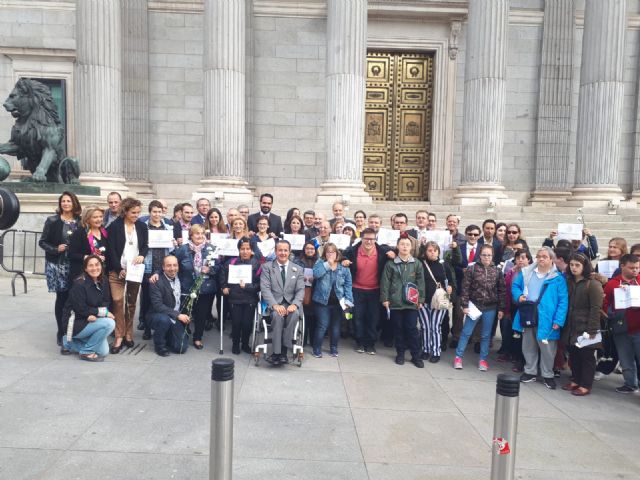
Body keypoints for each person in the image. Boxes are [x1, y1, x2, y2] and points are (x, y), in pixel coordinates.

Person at [512, 247, 568, 389]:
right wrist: (519, 296)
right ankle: (530, 371)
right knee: (528, 344)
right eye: (539, 256)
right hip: (528, 313)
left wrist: (558, 320)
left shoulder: (558, 278)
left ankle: (547, 374)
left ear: (551, 259)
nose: (541, 259)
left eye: (544, 256)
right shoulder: (527, 272)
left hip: (548, 318)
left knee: (548, 348)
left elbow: (563, 301)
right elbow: (515, 286)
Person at [106, 197, 149, 353]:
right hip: (118, 270)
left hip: (135, 270)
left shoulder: (142, 226)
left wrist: (142, 255)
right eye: (133, 212)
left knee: (131, 302)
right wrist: (118, 269)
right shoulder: (114, 226)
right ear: (125, 211)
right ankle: (119, 335)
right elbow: (110, 250)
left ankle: (128, 334)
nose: (136, 215)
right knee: (117, 301)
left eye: (138, 212)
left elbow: (145, 246)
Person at [454, 244, 505, 372]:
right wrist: (464, 305)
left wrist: (501, 308)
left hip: (490, 307)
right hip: (474, 305)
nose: (486, 257)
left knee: (486, 335)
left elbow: (501, 290)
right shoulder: (472, 269)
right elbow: (465, 288)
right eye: (484, 254)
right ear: (480, 255)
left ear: (492, 256)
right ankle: (458, 357)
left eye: (489, 255)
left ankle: (483, 359)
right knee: (466, 332)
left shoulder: (497, 271)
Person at [39, 191, 82, 346]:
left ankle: (75, 330)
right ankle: (61, 331)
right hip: (58, 265)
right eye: (63, 201)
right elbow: (42, 242)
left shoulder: (80, 221)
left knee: (76, 298)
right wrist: (56, 248)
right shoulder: (52, 220)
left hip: (76, 265)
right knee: (62, 299)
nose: (65, 203)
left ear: (74, 203)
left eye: (68, 201)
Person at [343, 228, 392, 354]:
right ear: (361, 238)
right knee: (358, 317)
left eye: (372, 239)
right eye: (366, 239)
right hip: (357, 289)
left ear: (376, 239)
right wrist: (343, 260)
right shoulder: (352, 251)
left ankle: (370, 343)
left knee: (373, 318)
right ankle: (359, 341)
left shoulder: (382, 251)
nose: (369, 242)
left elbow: (398, 251)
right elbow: (341, 255)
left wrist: (394, 255)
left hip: (375, 290)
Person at [380, 234, 426, 368]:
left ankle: (415, 355)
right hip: (395, 302)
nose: (405, 247)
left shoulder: (417, 263)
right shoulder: (391, 264)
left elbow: (420, 283)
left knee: (412, 329)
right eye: (402, 244)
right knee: (398, 329)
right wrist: (385, 299)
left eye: (407, 244)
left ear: (411, 247)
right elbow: (385, 282)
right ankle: (400, 354)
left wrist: (421, 299)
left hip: (411, 302)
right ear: (397, 246)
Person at [562, 253, 603, 396]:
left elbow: (595, 308)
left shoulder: (593, 284)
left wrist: (592, 329)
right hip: (571, 324)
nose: (574, 268)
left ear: (584, 266)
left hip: (586, 325)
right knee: (574, 354)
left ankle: (585, 384)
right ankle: (575, 379)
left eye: (577, 265)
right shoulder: (569, 281)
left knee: (586, 356)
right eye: (572, 265)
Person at [61, 255, 116, 361]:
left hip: (92, 318)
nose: (95, 268)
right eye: (90, 266)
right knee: (110, 323)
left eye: (97, 265)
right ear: (85, 268)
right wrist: (98, 313)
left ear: (101, 266)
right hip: (75, 322)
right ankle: (86, 352)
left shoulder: (104, 279)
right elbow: (80, 309)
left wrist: (96, 314)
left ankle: (68, 343)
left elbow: (106, 301)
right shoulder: (79, 284)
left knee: (103, 352)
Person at [260, 240, 305, 365]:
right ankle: (277, 353)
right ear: (275, 251)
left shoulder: (298, 269)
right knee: (277, 316)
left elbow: (301, 290)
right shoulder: (267, 267)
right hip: (275, 303)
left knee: (295, 314)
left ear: (289, 252)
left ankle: (284, 350)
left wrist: (295, 304)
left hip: (291, 304)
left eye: (285, 250)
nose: (283, 253)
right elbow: (265, 289)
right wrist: (275, 305)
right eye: (280, 250)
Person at [174, 224, 218, 350]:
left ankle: (198, 337)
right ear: (191, 235)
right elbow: (174, 264)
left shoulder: (211, 249)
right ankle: (185, 332)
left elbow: (218, 267)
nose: (199, 236)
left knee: (201, 314)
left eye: (202, 233)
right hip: (186, 287)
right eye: (196, 233)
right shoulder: (182, 249)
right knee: (185, 312)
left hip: (205, 288)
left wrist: (210, 269)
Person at [602, 253, 640, 393]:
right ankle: (630, 384)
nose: (635, 271)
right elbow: (604, 304)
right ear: (622, 266)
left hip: (638, 328)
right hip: (620, 328)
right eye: (632, 268)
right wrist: (612, 312)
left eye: (637, 268)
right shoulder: (612, 284)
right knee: (625, 359)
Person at [139, 200, 174, 340]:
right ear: (149, 212)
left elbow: (171, 250)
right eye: (154, 211)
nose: (157, 214)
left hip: (162, 268)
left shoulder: (167, 227)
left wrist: (173, 243)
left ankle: (161, 326)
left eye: (159, 211)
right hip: (148, 266)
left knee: (161, 298)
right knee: (147, 299)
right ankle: (147, 328)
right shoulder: (143, 227)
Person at [220, 237, 262, 354]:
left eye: (247, 249)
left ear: (251, 250)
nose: (245, 251)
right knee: (236, 322)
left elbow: (259, 284)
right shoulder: (231, 262)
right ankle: (235, 344)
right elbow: (222, 274)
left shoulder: (256, 264)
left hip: (250, 299)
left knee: (247, 323)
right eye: (242, 249)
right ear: (239, 250)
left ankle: (245, 344)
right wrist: (224, 287)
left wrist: (248, 287)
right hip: (234, 298)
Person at [311, 243, 353, 358]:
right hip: (322, 301)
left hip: (339, 302)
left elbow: (348, 285)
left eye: (333, 252)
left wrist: (349, 301)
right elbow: (316, 274)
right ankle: (317, 348)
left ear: (337, 253)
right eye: (328, 252)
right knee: (322, 325)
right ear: (325, 253)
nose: (330, 254)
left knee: (336, 327)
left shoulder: (343, 267)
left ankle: (333, 348)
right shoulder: (320, 262)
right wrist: (327, 265)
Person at [418, 241, 454, 363]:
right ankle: (426, 349)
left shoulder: (444, 265)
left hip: (439, 300)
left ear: (439, 252)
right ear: (425, 252)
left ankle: (436, 351)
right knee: (425, 326)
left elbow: (451, 281)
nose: (433, 253)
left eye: (435, 250)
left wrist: (450, 288)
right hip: (423, 301)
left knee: (435, 326)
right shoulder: (421, 264)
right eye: (430, 250)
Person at [147, 255, 190, 356]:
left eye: (175, 265)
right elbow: (158, 306)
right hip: (157, 315)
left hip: (174, 316)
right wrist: (178, 315)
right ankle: (159, 345)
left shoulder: (180, 278)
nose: (172, 268)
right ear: (163, 267)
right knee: (164, 320)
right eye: (169, 266)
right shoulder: (156, 281)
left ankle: (167, 334)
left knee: (181, 348)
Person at [449, 224, 482, 348]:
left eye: (475, 234)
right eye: (470, 234)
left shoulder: (483, 249)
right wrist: (461, 270)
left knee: (476, 314)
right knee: (458, 313)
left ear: (479, 236)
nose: (472, 236)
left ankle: (475, 339)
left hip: (477, 287)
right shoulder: (459, 247)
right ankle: (456, 337)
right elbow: (453, 264)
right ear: (466, 234)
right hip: (460, 285)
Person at [504, 248, 531, 372]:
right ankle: (517, 358)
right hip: (515, 306)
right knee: (516, 334)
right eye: (518, 257)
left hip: (528, 307)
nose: (520, 260)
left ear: (529, 260)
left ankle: (524, 361)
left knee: (526, 336)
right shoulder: (512, 272)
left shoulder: (532, 272)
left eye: (523, 258)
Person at [68, 204, 106, 283]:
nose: (99, 219)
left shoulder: (104, 232)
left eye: (101, 216)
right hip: (83, 275)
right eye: (95, 217)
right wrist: (89, 257)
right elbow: (71, 254)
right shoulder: (80, 233)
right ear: (87, 219)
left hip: (101, 274)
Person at [294, 240, 318, 346]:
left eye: (312, 249)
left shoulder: (319, 261)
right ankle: (302, 341)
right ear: (304, 250)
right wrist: (300, 277)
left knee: (314, 318)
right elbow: (293, 274)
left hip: (315, 291)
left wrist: (315, 278)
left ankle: (313, 341)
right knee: (303, 317)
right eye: (307, 248)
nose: (310, 250)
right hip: (301, 291)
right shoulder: (297, 261)